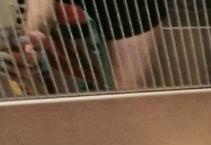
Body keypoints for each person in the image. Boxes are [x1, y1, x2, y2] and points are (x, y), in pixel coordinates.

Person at [21, 0, 167, 88]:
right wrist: (38, 20)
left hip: (132, 10)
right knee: (77, 99)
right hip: (62, 16)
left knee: (130, 91)